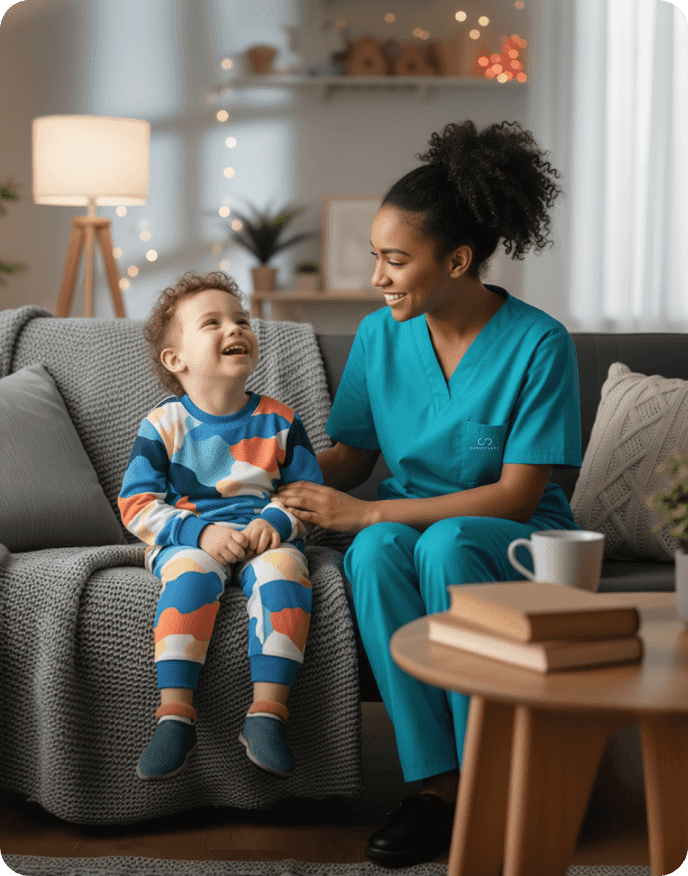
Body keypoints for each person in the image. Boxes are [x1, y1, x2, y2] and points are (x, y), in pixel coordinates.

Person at [277, 119, 582, 867]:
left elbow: (514, 497)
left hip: (508, 534)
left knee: (436, 541)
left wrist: (373, 508)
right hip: (402, 524)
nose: (377, 278)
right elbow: (352, 456)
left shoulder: (540, 344)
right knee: (377, 550)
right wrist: (283, 472)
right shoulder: (381, 336)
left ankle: (495, 776)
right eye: (374, 258)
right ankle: (436, 790)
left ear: (457, 259)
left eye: (394, 260)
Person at [118, 271, 323, 782]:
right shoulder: (162, 424)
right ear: (176, 359)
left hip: (261, 536)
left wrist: (274, 522)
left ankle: (267, 714)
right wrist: (199, 534)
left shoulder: (280, 420)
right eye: (213, 323)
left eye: (242, 320)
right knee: (190, 576)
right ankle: (174, 714)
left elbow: (308, 497)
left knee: (284, 577)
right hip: (189, 537)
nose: (234, 329)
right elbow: (136, 503)